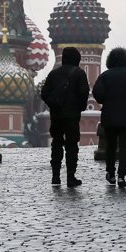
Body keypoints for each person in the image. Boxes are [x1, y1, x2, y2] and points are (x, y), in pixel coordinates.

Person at [92, 47, 126, 187]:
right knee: (124, 146)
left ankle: (110, 173)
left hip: (109, 116)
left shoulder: (104, 76)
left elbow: (98, 95)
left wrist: (107, 99)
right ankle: (122, 175)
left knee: (110, 145)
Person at [40, 47, 89, 187]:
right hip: (72, 115)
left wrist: (53, 104)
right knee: (72, 144)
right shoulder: (79, 73)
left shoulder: (53, 74)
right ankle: (70, 177)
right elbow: (84, 92)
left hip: (56, 114)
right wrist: (80, 106)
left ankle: (55, 176)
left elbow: (44, 93)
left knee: (56, 143)